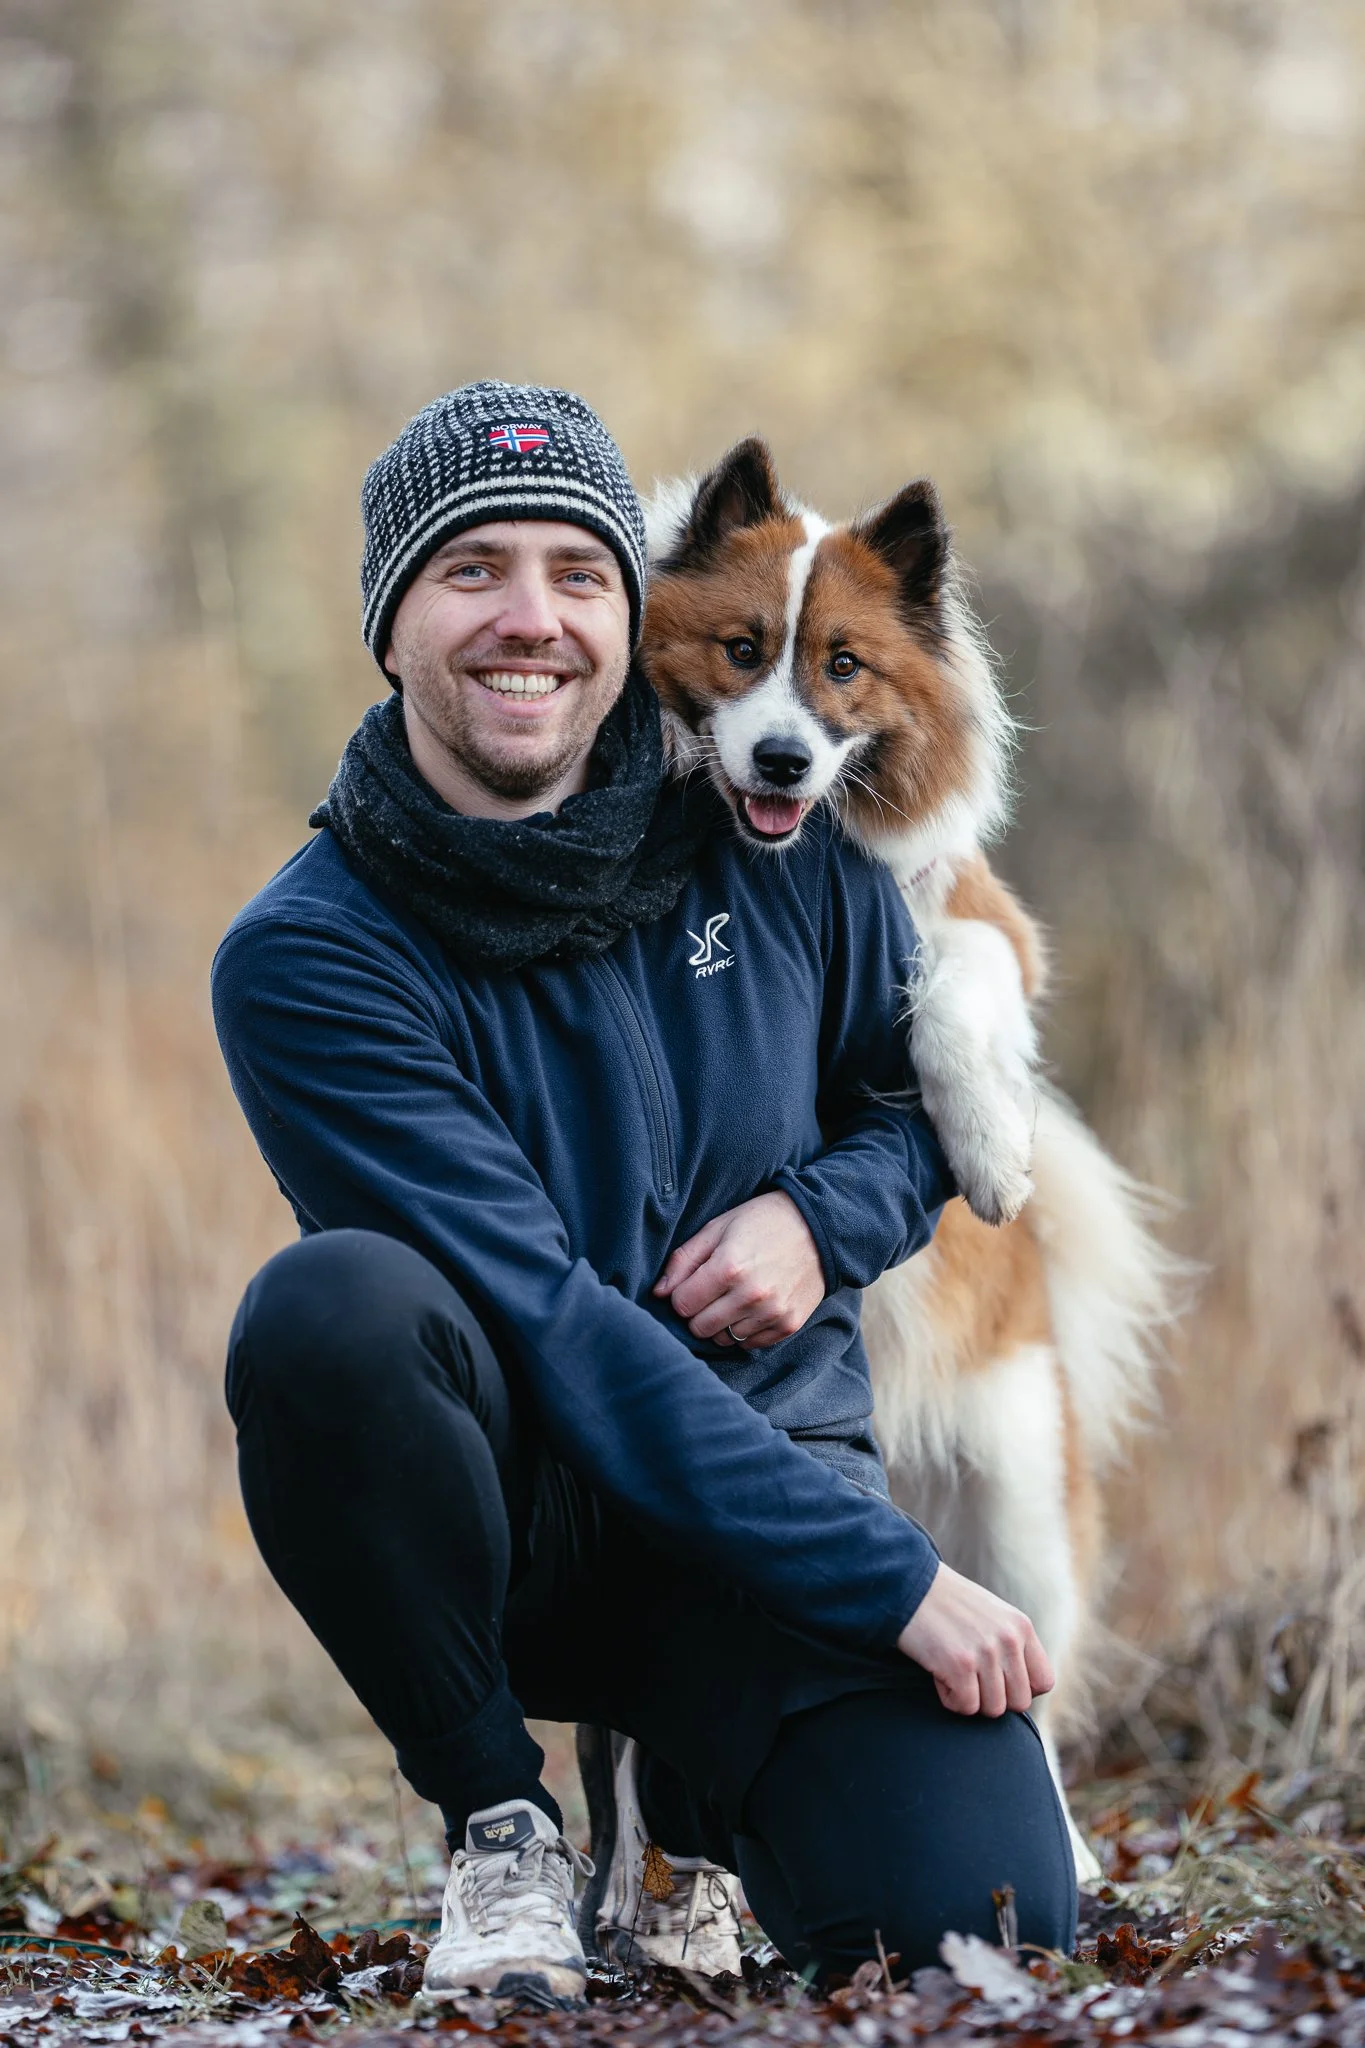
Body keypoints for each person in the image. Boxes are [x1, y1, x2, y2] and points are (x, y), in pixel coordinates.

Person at [212, 380, 1077, 2007]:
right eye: (473, 572)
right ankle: (499, 1823)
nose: (529, 621)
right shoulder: (312, 957)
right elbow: (546, 1317)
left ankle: (685, 1805)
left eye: (576, 572)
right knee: (329, 1315)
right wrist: (894, 1582)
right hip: (524, 1529)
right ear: (391, 623)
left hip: (767, 1501)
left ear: (629, 607)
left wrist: (820, 1224)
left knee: (988, 1928)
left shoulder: (778, 819)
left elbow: (913, 1116)